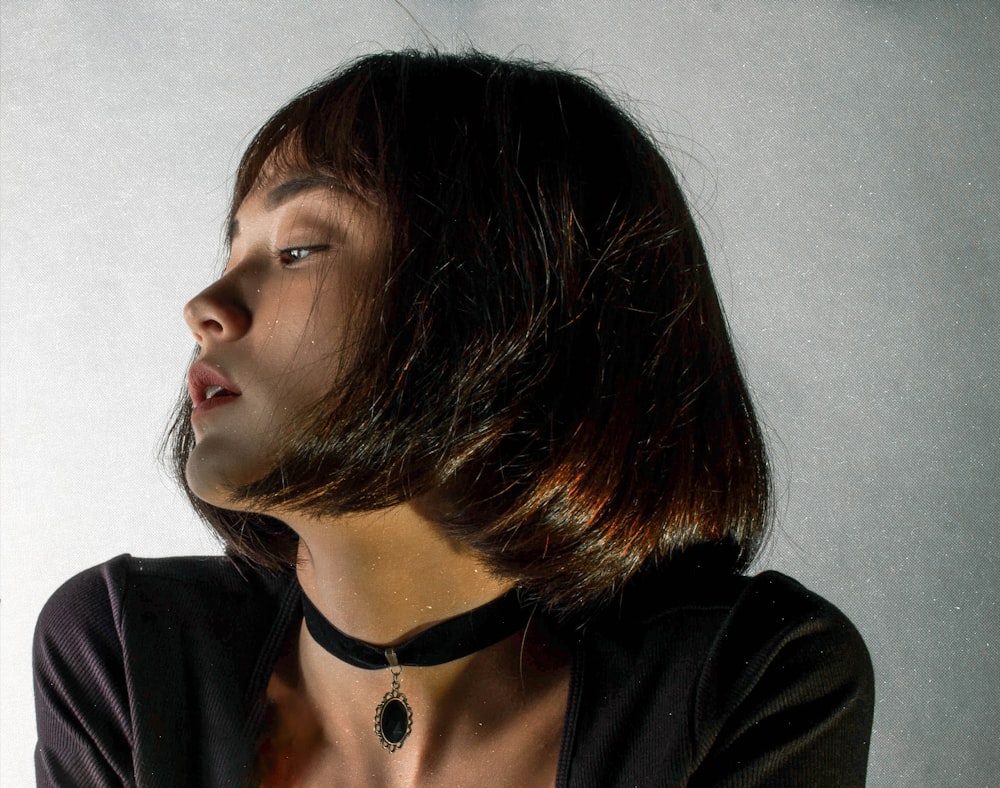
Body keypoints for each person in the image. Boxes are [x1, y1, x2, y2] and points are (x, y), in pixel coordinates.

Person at [33, 50, 874, 786]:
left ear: (499, 314)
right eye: (233, 250)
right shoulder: (122, 657)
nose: (205, 307)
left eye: (298, 250)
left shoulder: (749, 679)